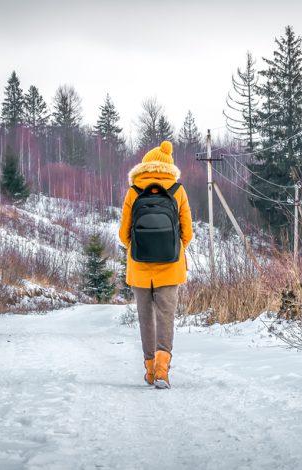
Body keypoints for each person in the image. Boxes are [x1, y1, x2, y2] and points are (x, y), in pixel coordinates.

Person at [119, 140, 193, 389]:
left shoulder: (133, 191)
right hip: (171, 267)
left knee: (145, 319)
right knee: (166, 319)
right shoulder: (177, 190)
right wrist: (173, 247)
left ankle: (149, 371)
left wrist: (138, 248)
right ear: (169, 166)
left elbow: (122, 235)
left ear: (145, 165)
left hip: (139, 268)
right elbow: (188, 233)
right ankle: (163, 371)